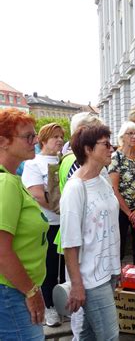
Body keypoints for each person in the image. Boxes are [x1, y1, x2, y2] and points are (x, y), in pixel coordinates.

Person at [61, 124, 121, 340]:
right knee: (109, 336)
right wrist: (77, 284)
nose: (111, 148)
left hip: (108, 271)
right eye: (105, 144)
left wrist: (116, 266)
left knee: (87, 335)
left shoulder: (102, 178)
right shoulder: (75, 188)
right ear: (88, 149)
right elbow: (69, 243)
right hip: (90, 277)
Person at [0, 108, 49, 340]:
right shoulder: (6, 182)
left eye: (35, 135)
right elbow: (1, 250)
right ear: (3, 142)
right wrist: (30, 291)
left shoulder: (12, 178)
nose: (35, 140)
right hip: (13, 291)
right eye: (28, 136)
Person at [22, 122, 65, 327]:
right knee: (48, 267)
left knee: (64, 265)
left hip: (65, 223)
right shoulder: (34, 163)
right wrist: (61, 209)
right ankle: (49, 307)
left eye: (61, 136)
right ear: (44, 139)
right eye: (55, 136)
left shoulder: (63, 160)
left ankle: (64, 302)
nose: (59, 140)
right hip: (48, 223)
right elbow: (37, 194)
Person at [109, 121, 135, 266]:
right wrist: (129, 213)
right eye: (130, 133)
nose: (134, 136)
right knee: (118, 244)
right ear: (123, 136)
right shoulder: (116, 157)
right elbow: (114, 188)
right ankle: (118, 277)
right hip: (121, 209)